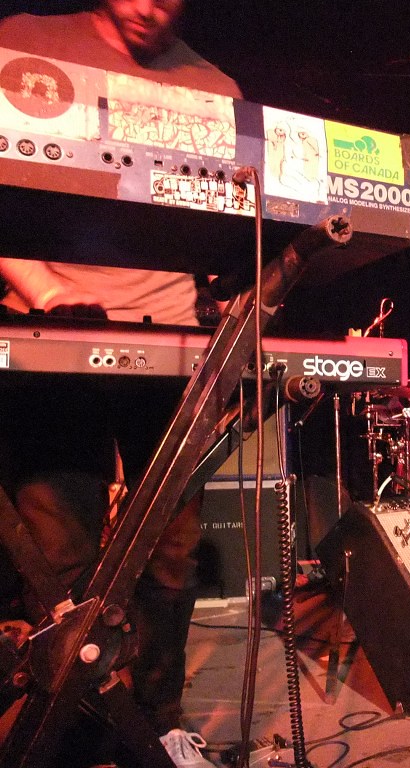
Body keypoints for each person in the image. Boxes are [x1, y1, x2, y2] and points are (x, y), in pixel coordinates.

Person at [0, 2, 241, 766]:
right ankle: (69, 718)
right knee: (61, 555)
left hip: (172, 341)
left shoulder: (215, 87)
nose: (150, 5)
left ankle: (157, 719)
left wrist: (231, 292)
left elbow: (230, 219)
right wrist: (44, 297)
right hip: (51, 326)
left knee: (171, 551)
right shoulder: (23, 44)